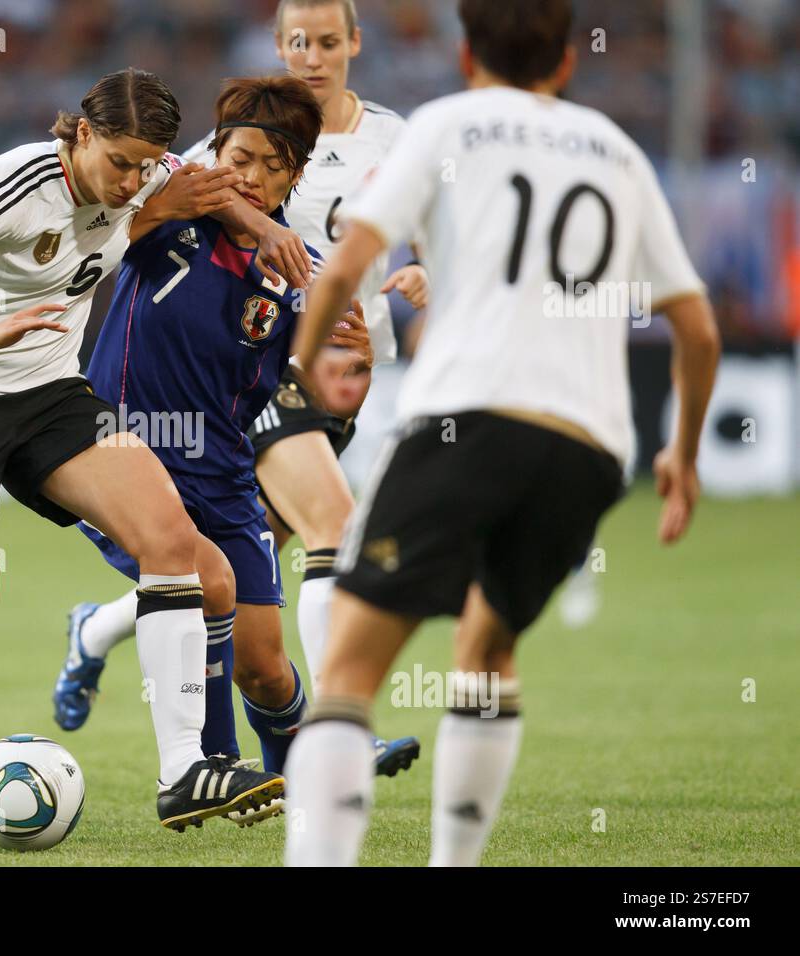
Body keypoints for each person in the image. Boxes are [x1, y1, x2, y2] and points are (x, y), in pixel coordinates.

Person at [283, 0, 720, 866]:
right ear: (565, 64)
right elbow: (697, 329)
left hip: (468, 419)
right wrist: (683, 452)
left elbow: (347, 262)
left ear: (468, 53)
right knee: (486, 653)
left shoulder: (446, 124)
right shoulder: (619, 152)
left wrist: (301, 368)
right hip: (588, 446)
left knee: (347, 678)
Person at [0, 68, 288, 842]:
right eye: (120, 161)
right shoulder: (13, 183)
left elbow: (211, 186)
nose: (133, 182)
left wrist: (271, 232)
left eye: (146, 164)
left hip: (51, 397)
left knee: (175, 547)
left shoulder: (150, 172)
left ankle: (182, 772)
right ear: (81, 134)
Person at [53, 0, 424, 778]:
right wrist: (261, 224)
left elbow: (326, 376)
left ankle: (299, 773)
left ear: (296, 173)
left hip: (221, 467)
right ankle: (216, 764)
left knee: (262, 659)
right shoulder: (171, 205)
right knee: (204, 583)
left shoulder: (304, 277)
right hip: (128, 450)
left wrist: (341, 358)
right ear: (216, 150)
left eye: (271, 166)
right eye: (238, 156)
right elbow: (146, 195)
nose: (249, 177)